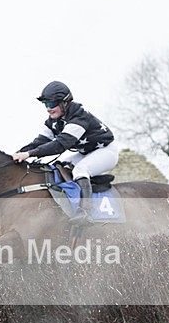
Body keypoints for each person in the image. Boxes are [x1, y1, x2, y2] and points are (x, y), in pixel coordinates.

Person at [13, 81, 118, 223]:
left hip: (106, 151)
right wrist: (17, 154)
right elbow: (39, 142)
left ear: (65, 103)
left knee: (81, 170)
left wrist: (30, 154)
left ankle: (85, 212)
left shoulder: (79, 117)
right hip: (86, 152)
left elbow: (59, 145)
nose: (48, 109)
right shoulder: (54, 121)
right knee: (60, 167)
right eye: (45, 105)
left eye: (51, 104)